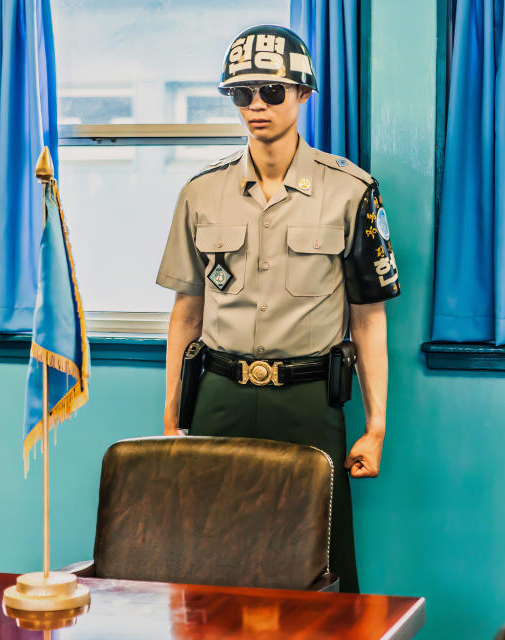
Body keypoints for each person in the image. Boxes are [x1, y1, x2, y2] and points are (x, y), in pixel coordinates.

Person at [156, 24, 400, 593]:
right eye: (242, 94)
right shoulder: (200, 193)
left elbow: (368, 317)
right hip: (219, 395)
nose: (256, 106)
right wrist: (172, 418)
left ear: (304, 95)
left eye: (272, 91)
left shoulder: (351, 190)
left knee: (319, 556)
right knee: (209, 555)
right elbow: (185, 315)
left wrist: (377, 426)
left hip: (309, 399)